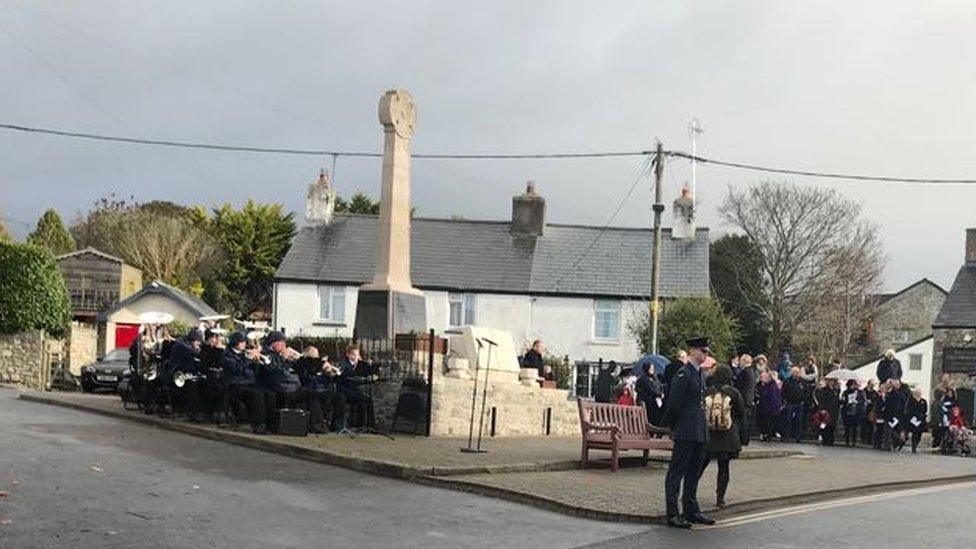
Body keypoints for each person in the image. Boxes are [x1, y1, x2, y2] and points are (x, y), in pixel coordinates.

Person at [663, 337, 714, 529]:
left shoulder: (700, 374)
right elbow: (674, 404)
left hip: (699, 430)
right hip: (685, 430)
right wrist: (671, 427)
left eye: (707, 352)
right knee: (676, 473)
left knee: (694, 472)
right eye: (703, 351)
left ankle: (691, 510)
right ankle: (672, 513)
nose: (705, 354)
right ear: (692, 351)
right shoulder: (683, 374)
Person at [257, 331, 326, 434]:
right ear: (273, 343)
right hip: (276, 388)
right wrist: (282, 358)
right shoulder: (266, 354)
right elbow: (270, 369)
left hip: (292, 388)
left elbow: (303, 371)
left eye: (284, 342)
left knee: (311, 393)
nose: (284, 345)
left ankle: (316, 425)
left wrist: (301, 360)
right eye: (281, 342)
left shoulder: (286, 356)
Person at [700, 364, 744, 508]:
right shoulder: (733, 392)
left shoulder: (707, 392)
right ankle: (720, 498)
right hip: (728, 436)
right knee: (723, 468)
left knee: (699, 466)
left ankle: (689, 492)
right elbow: (740, 413)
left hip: (708, 436)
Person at [220, 331, 276, 434]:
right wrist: (248, 359)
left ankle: (271, 425)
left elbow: (254, 371)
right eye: (242, 342)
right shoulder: (227, 355)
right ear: (235, 343)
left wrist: (257, 362)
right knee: (257, 395)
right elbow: (236, 368)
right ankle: (258, 425)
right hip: (235, 385)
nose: (245, 344)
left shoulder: (244, 354)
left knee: (270, 394)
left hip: (249, 383)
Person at [295, 346, 347, 432]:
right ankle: (318, 425)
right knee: (314, 396)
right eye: (313, 357)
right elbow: (305, 378)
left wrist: (329, 373)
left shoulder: (321, 367)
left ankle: (337, 425)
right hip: (310, 389)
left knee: (340, 397)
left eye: (317, 357)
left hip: (324, 390)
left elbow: (333, 380)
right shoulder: (303, 365)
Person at [336, 344, 376, 430]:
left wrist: (370, 370)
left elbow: (367, 373)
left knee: (367, 400)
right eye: (353, 354)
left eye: (357, 355)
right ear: (348, 354)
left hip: (354, 390)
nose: (356, 357)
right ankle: (347, 425)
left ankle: (367, 426)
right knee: (357, 399)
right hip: (344, 390)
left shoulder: (360, 364)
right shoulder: (343, 363)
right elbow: (342, 375)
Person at [734, 354, 757, 446]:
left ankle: (743, 439)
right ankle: (745, 438)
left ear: (744, 361)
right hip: (749, 398)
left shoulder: (745, 372)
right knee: (746, 420)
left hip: (744, 399)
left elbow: (740, 386)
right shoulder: (752, 372)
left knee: (743, 421)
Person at [635, 360, 664, 426]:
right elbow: (649, 389)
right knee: (650, 417)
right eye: (651, 369)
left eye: (653, 369)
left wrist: (661, 392)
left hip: (655, 401)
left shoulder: (655, 377)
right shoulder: (643, 379)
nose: (652, 370)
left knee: (657, 417)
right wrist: (658, 394)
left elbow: (659, 386)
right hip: (647, 402)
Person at [781, 367, 806, 443]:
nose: (797, 374)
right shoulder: (787, 381)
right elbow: (783, 391)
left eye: (798, 372)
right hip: (790, 402)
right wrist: (784, 401)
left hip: (799, 403)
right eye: (795, 372)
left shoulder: (802, 381)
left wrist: (804, 399)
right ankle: (787, 437)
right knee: (788, 420)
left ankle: (798, 438)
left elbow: (805, 391)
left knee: (799, 421)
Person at [757, 371, 783, 442]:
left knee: (768, 422)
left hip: (769, 407)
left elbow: (772, 396)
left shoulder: (771, 386)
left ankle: (767, 435)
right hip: (769, 406)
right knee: (768, 422)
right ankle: (767, 435)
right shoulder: (771, 385)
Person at [882, 380, 907, 451]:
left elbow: (895, 405)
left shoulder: (898, 394)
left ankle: (898, 442)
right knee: (889, 430)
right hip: (889, 414)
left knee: (889, 430)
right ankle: (890, 445)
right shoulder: (890, 393)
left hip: (893, 415)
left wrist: (885, 397)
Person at [840, 380, 865, 447]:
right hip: (847, 411)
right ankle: (847, 441)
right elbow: (842, 401)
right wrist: (844, 401)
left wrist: (857, 402)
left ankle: (854, 442)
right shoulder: (846, 392)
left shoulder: (860, 392)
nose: (854, 386)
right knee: (847, 427)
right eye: (853, 384)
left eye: (855, 384)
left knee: (855, 428)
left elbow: (863, 401)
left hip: (856, 411)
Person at [905, 388, 928, 454]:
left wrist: (922, 416)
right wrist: (912, 417)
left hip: (921, 419)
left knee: (919, 433)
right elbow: (909, 409)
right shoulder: (911, 400)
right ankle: (913, 446)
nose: (919, 393)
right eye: (917, 392)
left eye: (920, 392)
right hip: (913, 419)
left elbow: (925, 410)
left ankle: (916, 444)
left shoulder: (923, 401)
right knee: (914, 433)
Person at [862, 380, 878, 446]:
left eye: (873, 385)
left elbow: (876, 400)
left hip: (871, 410)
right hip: (864, 410)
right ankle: (863, 438)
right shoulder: (863, 391)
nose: (872, 386)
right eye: (871, 384)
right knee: (864, 425)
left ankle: (869, 440)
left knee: (871, 426)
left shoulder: (874, 392)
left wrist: (872, 402)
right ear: (868, 384)